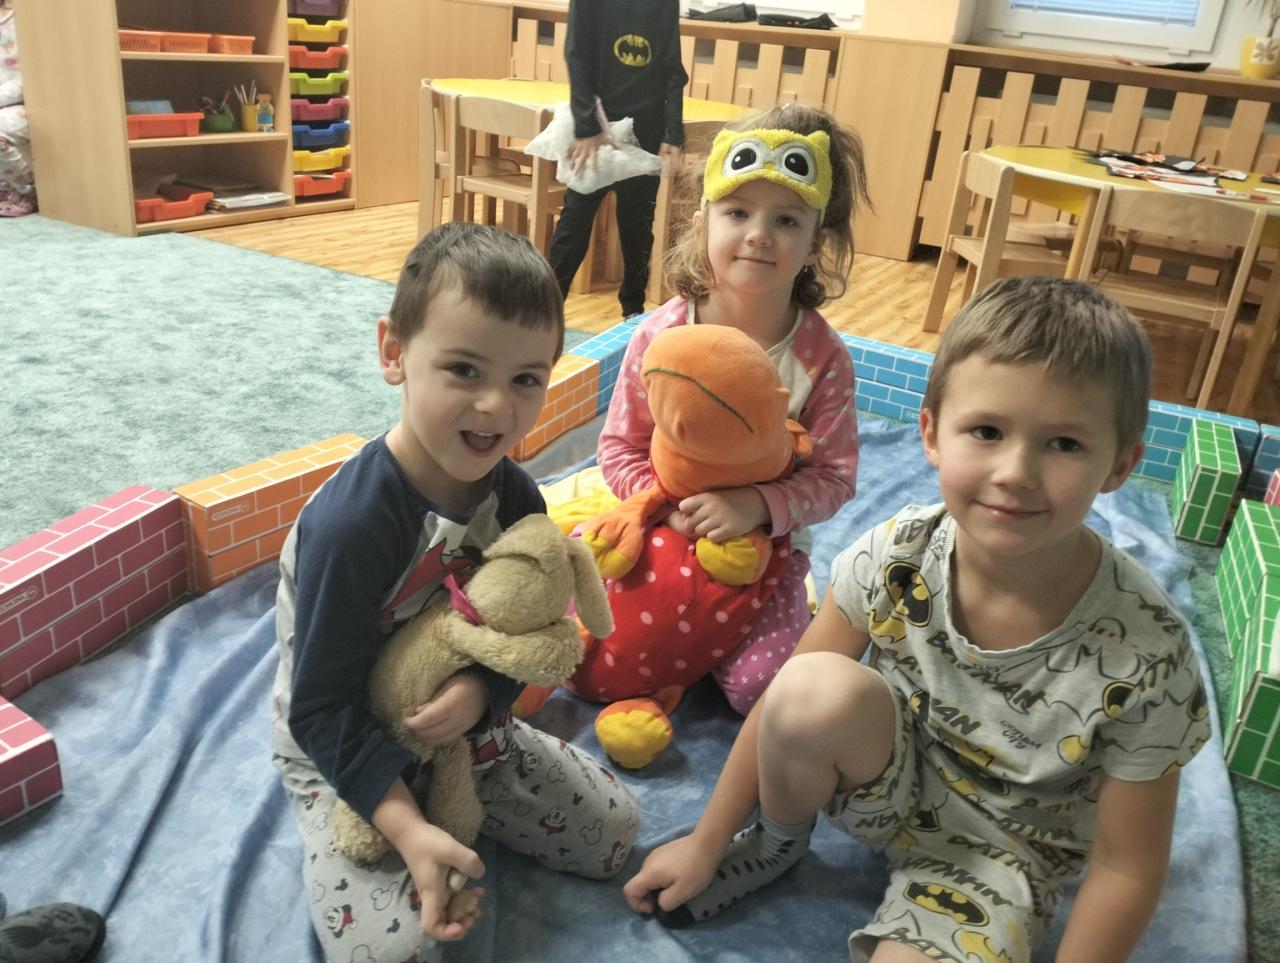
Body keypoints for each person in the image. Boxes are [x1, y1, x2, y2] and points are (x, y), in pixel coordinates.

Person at [623, 276, 1213, 961]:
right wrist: (707, 841)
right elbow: (787, 700)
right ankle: (777, 845)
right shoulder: (899, 551)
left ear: (1121, 464)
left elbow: (1126, 867)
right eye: (987, 431)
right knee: (812, 683)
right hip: (884, 781)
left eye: (1064, 444)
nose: (1015, 472)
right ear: (930, 434)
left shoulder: (1148, 650)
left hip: (1003, 857)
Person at [270, 222, 639, 963]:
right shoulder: (352, 526)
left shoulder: (518, 499)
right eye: (465, 370)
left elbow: (524, 633)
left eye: (526, 378)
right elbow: (318, 708)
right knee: (405, 953)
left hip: (459, 729)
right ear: (394, 353)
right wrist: (408, 829)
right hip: (344, 738)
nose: (496, 406)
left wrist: (480, 692)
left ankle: (461, 794)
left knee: (614, 835)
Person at [597, 102, 870, 714]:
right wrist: (666, 510)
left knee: (760, 690)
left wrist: (756, 506)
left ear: (815, 242)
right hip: (660, 529)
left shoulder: (821, 358)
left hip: (763, 555)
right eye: (738, 212)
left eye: (786, 220)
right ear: (702, 224)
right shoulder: (660, 336)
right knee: (594, 640)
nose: (759, 234)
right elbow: (618, 448)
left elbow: (835, 478)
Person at [546, 0, 688, 319]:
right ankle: (546, 312)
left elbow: (673, 70)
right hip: (597, 128)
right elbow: (577, 56)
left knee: (637, 229)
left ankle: (633, 313)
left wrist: (673, 134)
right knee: (574, 223)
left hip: (646, 130)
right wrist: (587, 127)